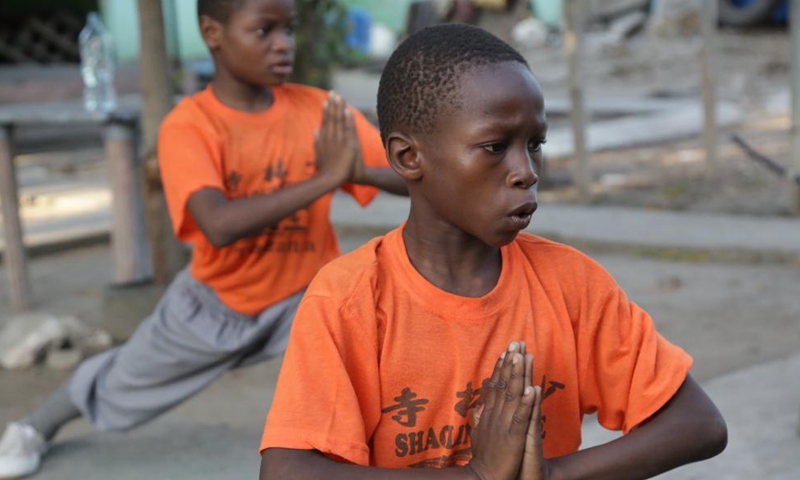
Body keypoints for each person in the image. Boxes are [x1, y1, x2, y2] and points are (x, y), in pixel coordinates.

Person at [258, 23, 727, 480]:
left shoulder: (569, 284)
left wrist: (549, 475)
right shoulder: (349, 299)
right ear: (408, 158)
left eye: (534, 144)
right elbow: (286, 470)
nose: (526, 170)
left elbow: (698, 424)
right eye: (495, 146)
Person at [0, 0, 406, 477]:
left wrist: (360, 171)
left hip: (304, 297)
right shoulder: (190, 125)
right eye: (265, 31)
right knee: (126, 379)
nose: (284, 44)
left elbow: (412, 173)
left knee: (372, 359)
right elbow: (218, 223)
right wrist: (324, 180)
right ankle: (32, 428)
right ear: (213, 33)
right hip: (216, 303)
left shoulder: (318, 110)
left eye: (289, 30)